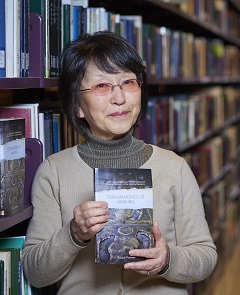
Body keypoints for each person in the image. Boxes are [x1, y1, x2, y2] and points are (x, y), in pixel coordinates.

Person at [22, 31, 217, 295]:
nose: (120, 98)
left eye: (128, 82)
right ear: (77, 105)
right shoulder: (54, 172)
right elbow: (35, 273)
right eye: (102, 86)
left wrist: (168, 260)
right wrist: (73, 234)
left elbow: (205, 258)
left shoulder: (174, 167)